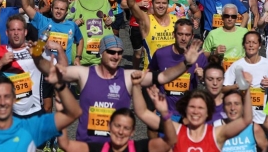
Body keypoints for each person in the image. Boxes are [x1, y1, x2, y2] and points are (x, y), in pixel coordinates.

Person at [32, 34, 203, 144]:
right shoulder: (84, 73)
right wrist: (36, 56)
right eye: (111, 52)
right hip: (86, 144)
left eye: (120, 53)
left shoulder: (129, 76)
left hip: (117, 145)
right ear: (101, 53)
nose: (116, 56)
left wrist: (185, 64)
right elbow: (51, 70)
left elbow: (163, 77)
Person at [0, 64, 82, 151]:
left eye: (6, 96)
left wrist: (59, 85)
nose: (2, 102)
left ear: (14, 99)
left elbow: (74, 112)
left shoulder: (29, 127)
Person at [57, 71, 176, 152]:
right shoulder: (98, 149)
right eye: (117, 126)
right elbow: (65, 145)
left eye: (126, 128)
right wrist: (61, 113)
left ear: (133, 131)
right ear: (109, 126)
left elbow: (170, 140)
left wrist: (165, 112)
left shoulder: (139, 148)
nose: (120, 131)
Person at [0, 14, 68, 117]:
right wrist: (1, 63)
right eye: (12, 30)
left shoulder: (36, 48)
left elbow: (63, 70)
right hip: (10, 113)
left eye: (19, 30)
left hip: (35, 111)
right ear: (7, 33)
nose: (16, 33)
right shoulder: (0, 51)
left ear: (25, 32)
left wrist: (58, 48)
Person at [148, 19, 208, 122]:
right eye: (180, 34)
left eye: (187, 35)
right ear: (174, 35)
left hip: (187, 114)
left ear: (192, 36)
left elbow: (212, 83)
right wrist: (151, 107)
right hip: (164, 111)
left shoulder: (199, 57)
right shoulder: (161, 54)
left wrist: (202, 78)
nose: (183, 38)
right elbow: (148, 77)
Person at [121, 0, 162, 69]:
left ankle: (148, 72)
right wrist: (138, 4)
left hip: (151, 23)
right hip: (135, 24)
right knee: (138, 53)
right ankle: (135, 71)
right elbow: (123, 4)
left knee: (149, 50)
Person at [223, 31, 268, 125]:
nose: (251, 45)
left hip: (264, 119)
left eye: (254, 43)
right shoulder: (236, 66)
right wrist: (236, 86)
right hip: (242, 119)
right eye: (248, 42)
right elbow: (222, 89)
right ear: (244, 45)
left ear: (260, 45)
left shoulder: (266, 63)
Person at [203, 4, 248, 68]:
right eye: (227, 16)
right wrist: (214, 53)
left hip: (240, 70)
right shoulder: (213, 34)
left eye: (233, 16)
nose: (230, 19)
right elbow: (204, 55)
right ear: (222, 17)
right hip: (220, 71)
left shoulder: (244, 32)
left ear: (236, 18)